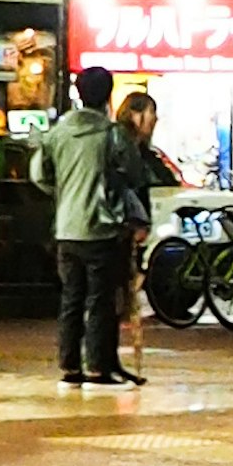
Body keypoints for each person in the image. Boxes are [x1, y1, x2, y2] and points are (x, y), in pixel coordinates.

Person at [38, 64, 134, 388]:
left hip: (65, 228)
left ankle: (69, 366)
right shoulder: (111, 134)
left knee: (71, 298)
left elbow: (39, 174)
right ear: (107, 95)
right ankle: (97, 367)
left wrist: (64, 193)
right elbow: (130, 176)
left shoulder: (58, 132)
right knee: (100, 300)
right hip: (100, 228)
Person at [104, 84, 164, 381]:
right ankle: (104, 359)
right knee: (113, 293)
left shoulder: (135, 147)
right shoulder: (123, 144)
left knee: (120, 293)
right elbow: (128, 186)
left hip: (125, 225)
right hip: (120, 226)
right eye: (150, 112)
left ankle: (106, 358)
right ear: (136, 114)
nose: (154, 120)